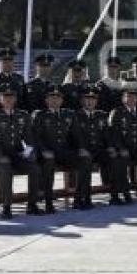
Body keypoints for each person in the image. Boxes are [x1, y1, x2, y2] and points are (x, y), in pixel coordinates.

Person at [0, 85, 42, 218]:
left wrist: (29, 154)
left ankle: (32, 204)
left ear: (15, 99)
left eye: (11, 97)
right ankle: (6, 206)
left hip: (17, 155)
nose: (8, 100)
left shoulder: (23, 115)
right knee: (6, 169)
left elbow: (29, 139)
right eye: (5, 97)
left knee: (35, 169)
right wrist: (0, 156)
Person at [33, 85, 83, 214]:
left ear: (62, 100)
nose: (55, 101)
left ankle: (79, 199)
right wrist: (43, 151)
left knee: (84, 160)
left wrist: (80, 149)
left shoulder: (69, 114)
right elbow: (36, 137)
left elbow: (76, 135)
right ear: (47, 101)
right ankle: (49, 202)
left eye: (58, 98)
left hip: (64, 152)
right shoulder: (40, 115)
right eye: (52, 98)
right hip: (47, 153)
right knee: (48, 164)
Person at [73, 86, 112, 209]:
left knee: (117, 158)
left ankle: (117, 194)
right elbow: (75, 135)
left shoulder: (102, 115)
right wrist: (81, 148)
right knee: (85, 162)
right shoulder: (76, 115)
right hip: (82, 150)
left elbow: (106, 135)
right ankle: (82, 198)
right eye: (87, 99)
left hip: (98, 150)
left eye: (93, 99)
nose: (90, 101)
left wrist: (111, 147)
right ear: (82, 101)